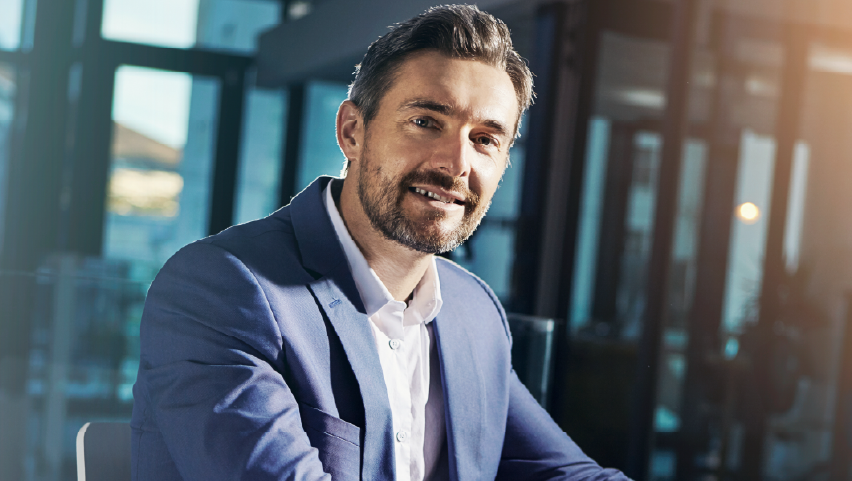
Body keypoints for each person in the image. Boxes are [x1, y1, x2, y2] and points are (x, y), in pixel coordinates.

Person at [130, 4, 629, 480]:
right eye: (426, 122)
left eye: (484, 139)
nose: (456, 164)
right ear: (352, 131)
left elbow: (565, 473)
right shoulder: (222, 290)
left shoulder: (473, 310)